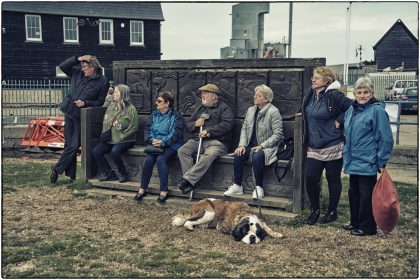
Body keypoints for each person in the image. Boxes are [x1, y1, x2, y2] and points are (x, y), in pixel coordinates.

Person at [301, 66, 353, 225]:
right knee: (310, 178)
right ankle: (315, 210)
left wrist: (341, 119)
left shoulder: (334, 95)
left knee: (332, 179)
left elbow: (353, 106)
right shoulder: (311, 94)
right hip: (314, 146)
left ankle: (332, 211)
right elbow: (307, 111)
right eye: (313, 77)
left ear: (327, 80)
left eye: (316, 77)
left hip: (333, 144)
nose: (313, 80)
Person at [342, 77, 393, 236]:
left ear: (371, 94)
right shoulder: (351, 109)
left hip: (368, 161)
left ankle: (367, 227)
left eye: (366, 92)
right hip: (353, 159)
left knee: (366, 195)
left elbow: (385, 138)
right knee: (354, 192)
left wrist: (381, 160)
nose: (362, 95)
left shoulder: (377, 111)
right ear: (354, 93)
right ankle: (355, 222)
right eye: (359, 92)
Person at [50, 55, 109, 183]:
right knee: (69, 145)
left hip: (81, 116)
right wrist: (78, 58)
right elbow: (62, 66)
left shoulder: (103, 81)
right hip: (69, 111)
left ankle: (56, 169)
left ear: (93, 68)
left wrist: (86, 103)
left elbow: (100, 102)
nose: (82, 69)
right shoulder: (77, 72)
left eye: (85, 67)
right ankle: (71, 176)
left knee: (74, 145)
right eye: (82, 67)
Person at [224, 84, 283, 199]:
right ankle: (237, 186)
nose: (255, 97)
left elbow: (278, 135)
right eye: (255, 94)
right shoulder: (251, 110)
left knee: (257, 157)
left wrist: (262, 146)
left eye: (259, 95)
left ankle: (259, 187)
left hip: (268, 147)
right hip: (251, 145)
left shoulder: (273, 112)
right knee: (238, 154)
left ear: (266, 99)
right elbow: (245, 128)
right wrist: (241, 145)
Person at [177, 83, 234, 194]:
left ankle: (187, 180)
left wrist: (209, 131)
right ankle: (192, 182)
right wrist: (196, 124)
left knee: (209, 154)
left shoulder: (224, 108)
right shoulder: (200, 108)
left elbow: (227, 124)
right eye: (202, 93)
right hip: (198, 141)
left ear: (213, 96)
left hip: (217, 142)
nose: (202, 95)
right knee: (182, 151)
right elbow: (187, 125)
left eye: (205, 93)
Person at [134, 91, 185, 203]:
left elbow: (176, 133)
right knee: (148, 160)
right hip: (155, 144)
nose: (156, 103)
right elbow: (147, 129)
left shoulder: (176, 116)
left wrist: (163, 142)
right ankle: (142, 189)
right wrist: (151, 140)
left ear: (167, 104)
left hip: (171, 145)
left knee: (161, 159)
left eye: (159, 101)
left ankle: (164, 191)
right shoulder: (154, 114)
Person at [91, 84, 138, 183]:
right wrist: (105, 134)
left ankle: (123, 174)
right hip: (111, 138)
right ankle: (109, 173)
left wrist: (122, 136)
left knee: (115, 151)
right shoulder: (111, 105)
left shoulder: (131, 109)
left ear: (123, 94)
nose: (114, 93)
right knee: (96, 151)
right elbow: (106, 120)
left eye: (116, 92)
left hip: (126, 139)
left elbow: (133, 127)